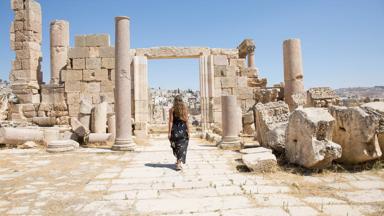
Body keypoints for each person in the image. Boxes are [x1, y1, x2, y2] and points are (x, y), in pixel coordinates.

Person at [168, 95, 190, 171]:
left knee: (177, 146)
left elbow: (170, 122)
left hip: (175, 130)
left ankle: (178, 162)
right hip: (183, 130)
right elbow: (186, 121)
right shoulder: (185, 109)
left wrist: (169, 132)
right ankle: (178, 163)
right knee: (182, 147)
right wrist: (189, 131)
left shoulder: (172, 109)